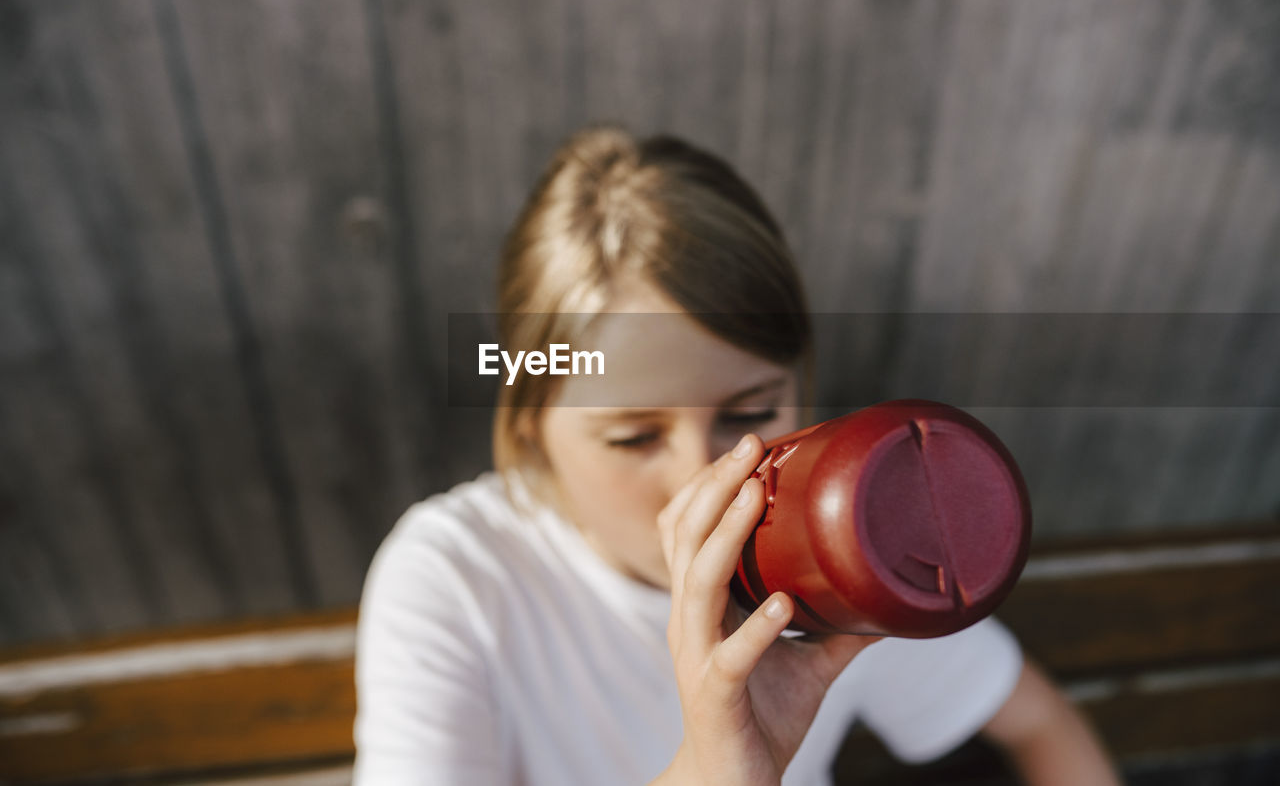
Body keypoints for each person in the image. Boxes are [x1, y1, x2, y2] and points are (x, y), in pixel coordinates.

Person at [351, 126, 1122, 785]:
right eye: (633, 435)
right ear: (528, 428)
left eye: (751, 414)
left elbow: (1041, 724)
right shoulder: (457, 577)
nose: (701, 477)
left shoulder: (845, 548)